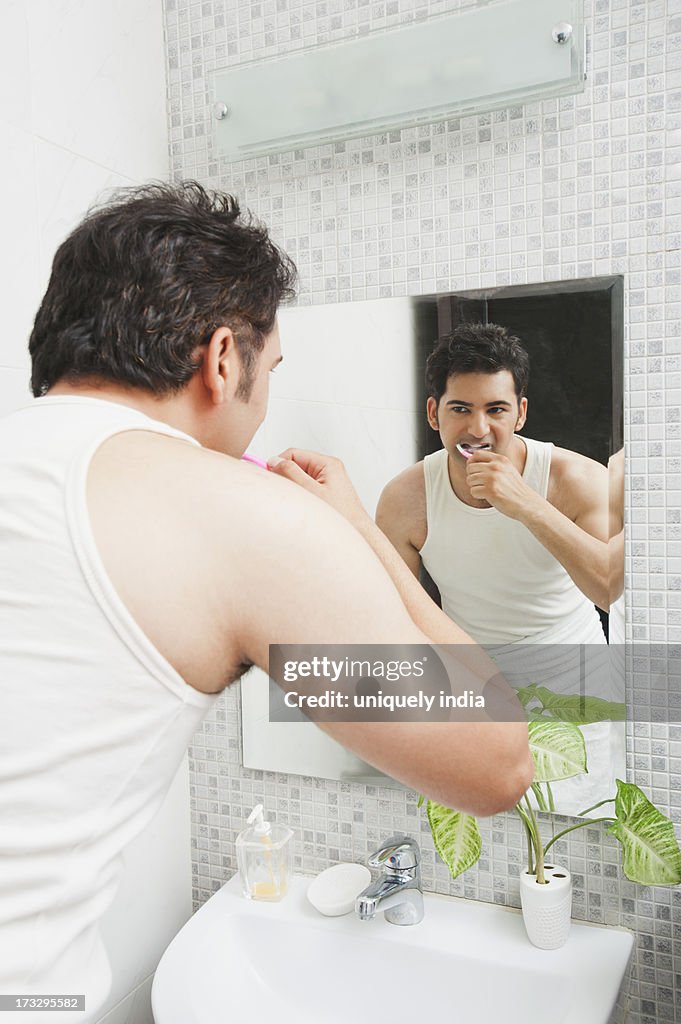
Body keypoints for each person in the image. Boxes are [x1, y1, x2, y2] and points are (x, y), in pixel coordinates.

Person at [0, 182, 533, 1022]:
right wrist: (355, 533)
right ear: (221, 360)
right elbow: (498, 764)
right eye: (270, 369)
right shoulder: (239, 516)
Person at [376, 322, 610, 647]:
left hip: (580, 674)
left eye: (496, 409)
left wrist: (528, 505)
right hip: (474, 675)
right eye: (460, 409)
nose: (478, 428)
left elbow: (613, 595)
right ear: (433, 413)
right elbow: (392, 616)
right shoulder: (405, 499)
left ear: (520, 414)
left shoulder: (579, 479)